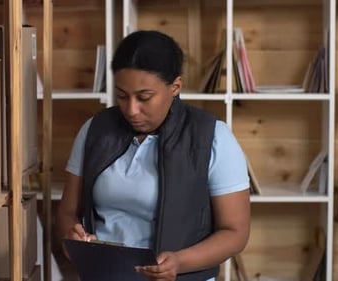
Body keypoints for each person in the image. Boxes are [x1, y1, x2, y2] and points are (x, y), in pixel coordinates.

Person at [57, 30, 250, 281]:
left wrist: (179, 262)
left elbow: (235, 232)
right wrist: (73, 241)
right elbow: (66, 213)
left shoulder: (213, 137)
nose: (131, 109)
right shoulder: (95, 131)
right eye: (122, 96)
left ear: (175, 87)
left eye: (144, 97)